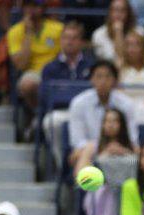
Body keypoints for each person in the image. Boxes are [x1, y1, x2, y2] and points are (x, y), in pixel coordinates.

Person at [40, 21, 95, 168]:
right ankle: (63, 166)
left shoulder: (91, 66)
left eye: (74, 38)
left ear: (81, 42)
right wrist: (77, 94)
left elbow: (94, 93)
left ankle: (90, 164)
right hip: (62, 111)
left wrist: (66, 93)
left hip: (87, 112)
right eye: (66, 37)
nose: (70, 41)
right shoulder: (50, 68)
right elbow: (47, 97)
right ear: (61, 40)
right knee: (50, 121)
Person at [68, 60, 138, 167]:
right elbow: (78, 142)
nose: (103, 81)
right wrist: (102, 148)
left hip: (121, 151)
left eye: (108, 77)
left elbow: (132, 139)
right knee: (80, 152)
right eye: (98, 76)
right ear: (91, 79)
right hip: (90, 152)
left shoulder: (126, 104)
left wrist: (119, 149)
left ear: (115, 80)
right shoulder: (78, 103)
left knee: (140, 152)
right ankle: (85, 182)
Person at [6, 0, 63, 114]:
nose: (31, 10)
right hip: (33, 72)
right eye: (28, 6)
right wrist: (28, 33)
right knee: (27, 85)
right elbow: (21, 65)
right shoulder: (14, 32)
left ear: (43, 8)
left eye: (35, 6)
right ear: (23, 9)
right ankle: (38, 114)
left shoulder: (58, 28)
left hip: (56, 71)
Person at [116, 29, 144, 126]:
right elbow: (118, 96)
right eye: (128, 45)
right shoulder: (119, 71)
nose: (132, 49)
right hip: (124, 111)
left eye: (136, 45)